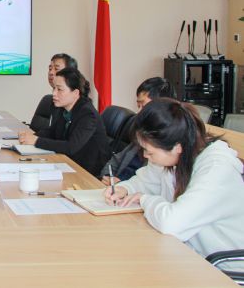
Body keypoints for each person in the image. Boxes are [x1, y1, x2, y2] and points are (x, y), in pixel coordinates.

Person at [105, 99, 244, 267]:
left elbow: (171, 223)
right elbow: (145, 181)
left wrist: (145, 199)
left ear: (177, 147)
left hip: (223, 268)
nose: (145, 156)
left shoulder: (216, 168)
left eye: (149, 152)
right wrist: (124, 189)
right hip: (187, 254)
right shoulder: (176, 154)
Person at [18, 67, 110, 176]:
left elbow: (71, 147)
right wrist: (30, 136)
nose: (54, 93)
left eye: (59, 89)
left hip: (89, 173)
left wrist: (36, 141)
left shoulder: (88, 114)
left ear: (75, 93)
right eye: (54, 88)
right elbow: (52, 132)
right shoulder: (64, 108)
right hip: (69, 163)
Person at [100, 77, 174, 185]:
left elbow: (150, 185)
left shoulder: (167, 143)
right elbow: (116, 160)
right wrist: (107, 176)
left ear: (161, 105)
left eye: (143, 105)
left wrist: (123, 185)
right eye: (138, 105)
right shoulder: (142, 130)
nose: (139, 112)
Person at [29, 53, 78, 133]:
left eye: (56, 69)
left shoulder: (77, 106)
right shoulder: (52, 100)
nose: (51, 72)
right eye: (50, 69)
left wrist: (36, 139)